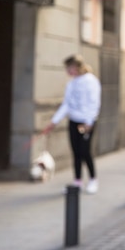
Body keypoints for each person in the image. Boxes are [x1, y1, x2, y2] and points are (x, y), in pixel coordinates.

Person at [43, 54, 101, 194]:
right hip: (74, 121)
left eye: (69, 68)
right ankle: (77, 181)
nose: (67, 71)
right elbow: (66, 105)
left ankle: (93, 179)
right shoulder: (71, 84)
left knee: (85, 151)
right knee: (75, 151)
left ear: (77, 67)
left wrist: (89, 122)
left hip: (86, 122)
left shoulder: (90, 81)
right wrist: (54, 122)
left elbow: (94, 102)